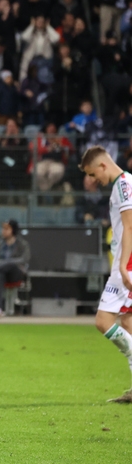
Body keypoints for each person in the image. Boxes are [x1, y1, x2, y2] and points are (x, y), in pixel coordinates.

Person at [80, 147, 132, 402]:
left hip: (127, 264)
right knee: (128, 323)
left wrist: (122, 266)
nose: (94, 180)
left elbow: (130, 224)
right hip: (125, 262)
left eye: (93, 174)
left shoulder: (123, 184)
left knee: (103, 321)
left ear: (102, 166)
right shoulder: (123, 184)